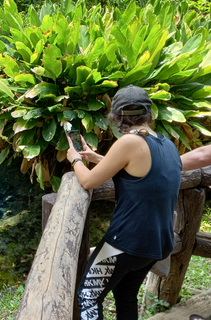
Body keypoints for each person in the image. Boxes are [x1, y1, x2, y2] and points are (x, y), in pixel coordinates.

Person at [66, 85, 182, 320]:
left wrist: (75, 159)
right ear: (149, 114)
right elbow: (139, 171)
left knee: (88, 297)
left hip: (124, 244)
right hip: (155, 244)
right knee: (125, 295)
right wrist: (99, 158)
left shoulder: (129, 142)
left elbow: (88, 181)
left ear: (117, 116)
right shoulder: (166, 144)